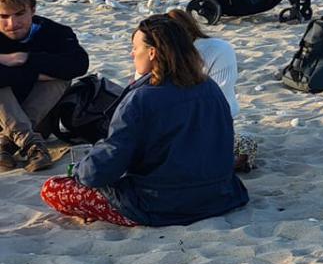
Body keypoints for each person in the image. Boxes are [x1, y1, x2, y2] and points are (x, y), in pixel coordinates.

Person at [40, 14, 248, 227]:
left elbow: (107, 164)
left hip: (160, 203)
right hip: (221, 195)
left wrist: (78, 171)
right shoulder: (209, 88)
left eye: (135, 48)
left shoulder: (142, 98)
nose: (132, 53)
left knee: (53, 188)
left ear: (152, 52)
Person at [0, 0, 88, 172]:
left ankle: (6, 144)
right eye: (3, 16)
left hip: (38, 117)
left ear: (32, 9)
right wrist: (36, 73)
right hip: (5, 113)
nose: (12, 23)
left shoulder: (54, 32)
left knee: (59, 78)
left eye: (19, 14)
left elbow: (79, 64)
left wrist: (24, 58)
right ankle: (30, 144)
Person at [162, 10, 257, 172]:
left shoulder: (217, 50)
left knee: (244, 143)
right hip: (174, 124)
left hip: (207, 122)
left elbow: (220, 103)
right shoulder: (157, 52)